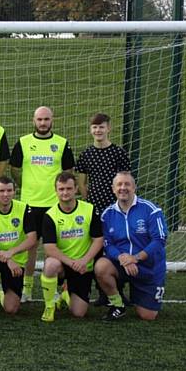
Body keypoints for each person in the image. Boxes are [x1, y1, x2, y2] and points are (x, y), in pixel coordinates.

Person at [10, 106, 75, 302]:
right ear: (33, 120)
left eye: (46, 119)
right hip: (30, 204)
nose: (43, 123)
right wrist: (25, 186)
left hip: (54, 206)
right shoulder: (23, 142)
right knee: (30, 248)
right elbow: (14, 169)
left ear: (52, 120)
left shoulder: (62, 143)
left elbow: (68, 171)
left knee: (52, 248)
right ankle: (27, 289)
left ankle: (53, 289)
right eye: (40, 119)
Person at [95, 172, 168, 321]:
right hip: (122, 264)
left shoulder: (151, 210)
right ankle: (118, 305)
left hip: (148, 267)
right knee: (101, 266)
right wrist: (121, 257)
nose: (123, 188)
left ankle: (140, 294)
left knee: (147, 316)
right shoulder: (107, 214)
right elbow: (108, 244)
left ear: (134, 188)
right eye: (119, 185)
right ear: (113, 189)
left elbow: (159, 240)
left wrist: (135, 258)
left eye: (127, 184)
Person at [76, 112, 131, 306]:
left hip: (115, 210)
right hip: (95, 209)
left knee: (116, 245)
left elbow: (125, 181)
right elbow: (82, 182)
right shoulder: (86, 154)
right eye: (94, 127)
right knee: (97, 248)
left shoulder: (118, 153)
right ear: (91, 130)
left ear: (108, 128)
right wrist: (89, 202)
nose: (98, 130)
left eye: (101, 127)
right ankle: (102, 292)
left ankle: (119, 290)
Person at [40, 172, 104, 322]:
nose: (65, 193)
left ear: (76, 189)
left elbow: (98, 240)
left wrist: (84, 260)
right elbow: (49, 248)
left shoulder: (89, 210)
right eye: (61, 189)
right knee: (50, 264)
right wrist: (71, 263)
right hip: (63, 264)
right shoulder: (50, 215)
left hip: (83, 266)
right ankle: (49, 306)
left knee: (78, 313)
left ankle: (65, 294)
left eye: (69, 188)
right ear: (55, 190)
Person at [0, 176, 37, 320]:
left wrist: (11, 254)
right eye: (1, 191)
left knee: (11, 309)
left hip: (16, 261)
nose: (6, 194)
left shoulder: (24, 209)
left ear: (14, 192)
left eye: (9, 190)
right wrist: (6, 259)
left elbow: (32, 239)